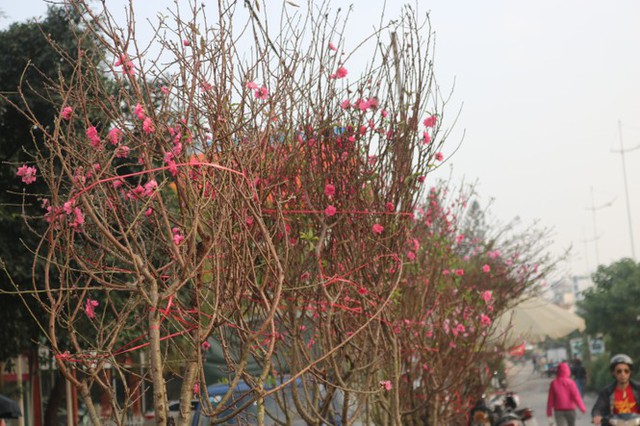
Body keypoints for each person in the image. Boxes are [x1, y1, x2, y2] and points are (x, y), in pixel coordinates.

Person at [592, 354, 640, 425]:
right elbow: (598, 408)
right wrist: (596, 415)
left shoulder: (638, 388)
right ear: (613, 373)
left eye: (626, 371)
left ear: (630, 372)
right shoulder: (607, 391)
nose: (623, 374)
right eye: (619, 371)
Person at [546, 362, 586, 426]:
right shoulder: (571, 383)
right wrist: (582, 408)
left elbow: (550, 399)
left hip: (558, 410)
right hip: (570, 409)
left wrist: (549, 413)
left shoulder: (553, 383)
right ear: (568, 371)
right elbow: (576, 396)